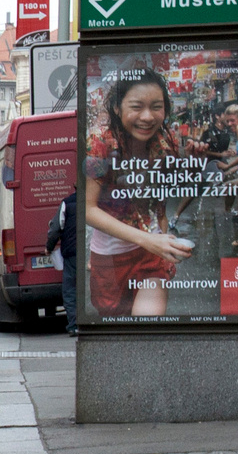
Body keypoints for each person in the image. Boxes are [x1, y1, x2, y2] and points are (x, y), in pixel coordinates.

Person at [83, 72, 197, 319]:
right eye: (137, 107)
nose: (147, 117)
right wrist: (148, 240)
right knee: (119, 340)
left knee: (146, 330)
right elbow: (87, 209)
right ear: (116, 107)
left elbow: (159, 203)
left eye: (157, 107)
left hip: (152, 255)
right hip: (110, 259)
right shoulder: (99, 143)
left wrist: (165, 240)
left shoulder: (166, 143)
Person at [45, 190, 80, 334]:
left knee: (70, 291)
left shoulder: (67, 203)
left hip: (72, 253)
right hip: (93, 252)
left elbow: (55, 229)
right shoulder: (92, 202)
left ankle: (75, 325)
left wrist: (49, 247)